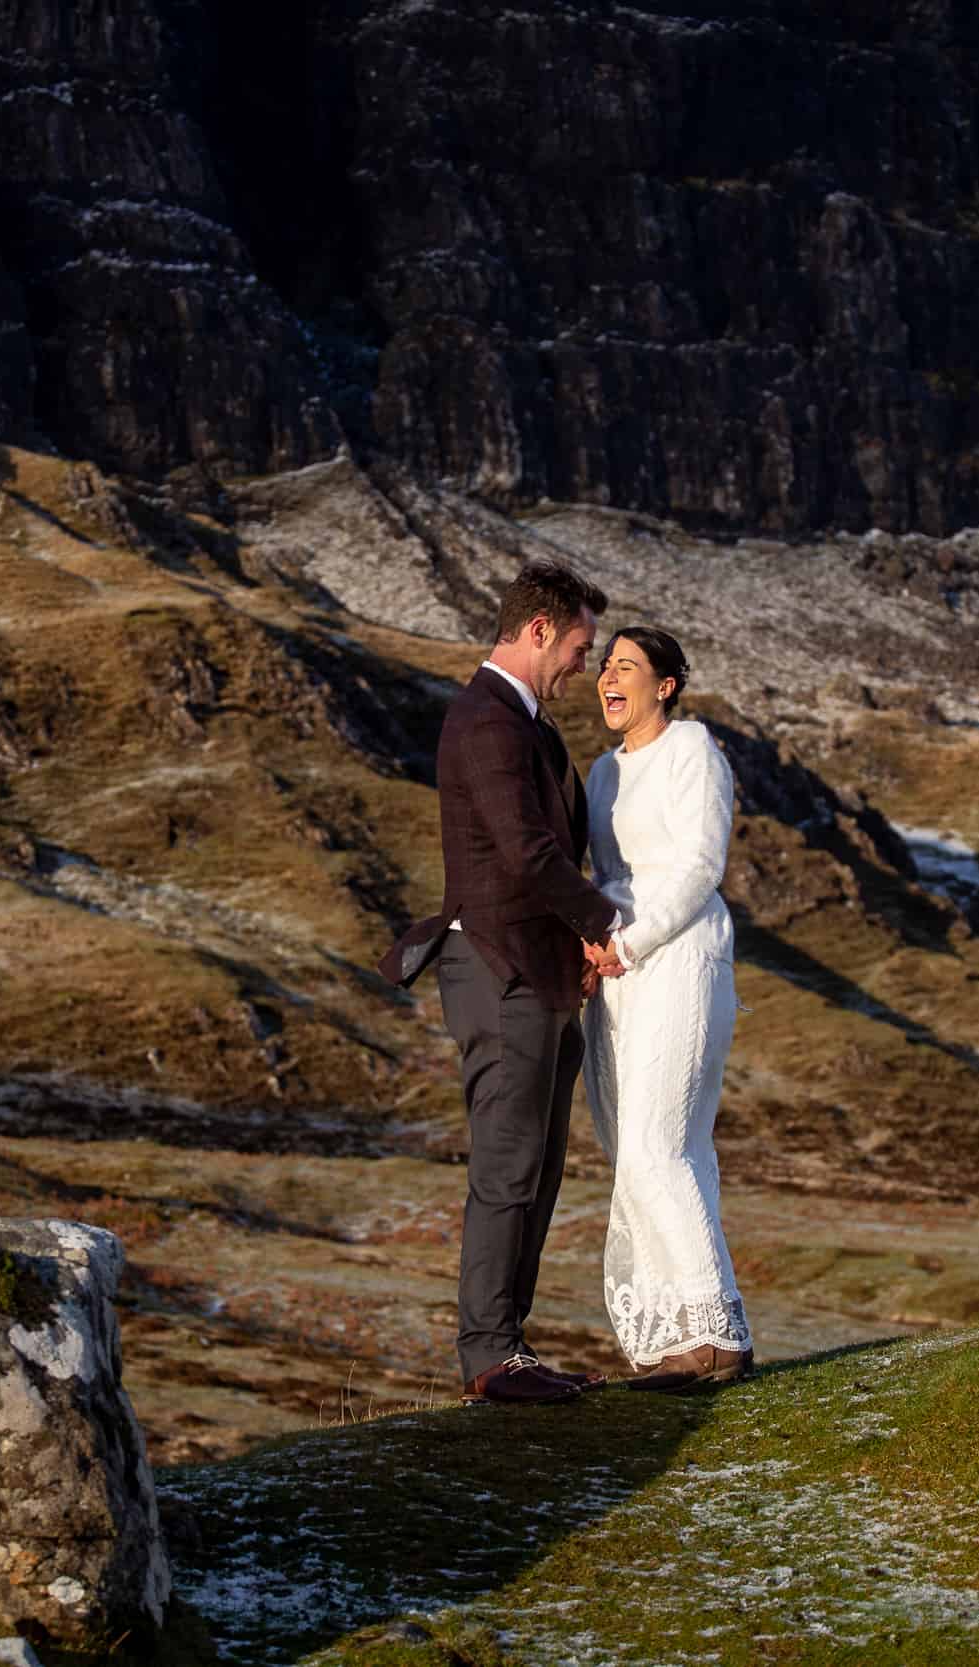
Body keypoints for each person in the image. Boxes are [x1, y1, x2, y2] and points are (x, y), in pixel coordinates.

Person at [380, 559, 628, 1408]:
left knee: (541, 1166)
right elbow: (526, 857)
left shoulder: (527, 725)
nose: (584, 667)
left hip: (541, 975)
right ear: (537, 631)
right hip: (500, 971)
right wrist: (605, 925)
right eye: (580, 647)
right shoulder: (486, 722)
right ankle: (487, 1353)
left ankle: (507, 1346)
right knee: (508, 1163)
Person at [580, 626, 753, 1391]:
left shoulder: (693, 753)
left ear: (666, 686)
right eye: (605, 665)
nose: (608, 677)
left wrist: (635, 938)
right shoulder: (598, 774)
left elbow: (700, 864)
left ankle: (718, 1333)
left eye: (627, 666)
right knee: (634, 1155)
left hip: (679, 956)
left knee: (662, 1145)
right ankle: (670, 1340)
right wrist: (592, 945)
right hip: (615, 972)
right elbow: (600, 875)